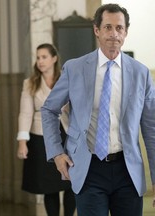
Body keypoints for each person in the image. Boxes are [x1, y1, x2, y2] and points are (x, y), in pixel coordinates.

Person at [41, 3, 155, 216]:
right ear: (97, 30)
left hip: (128, 171)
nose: (114, 34)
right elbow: (49, 110)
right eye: (108, 27)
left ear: (126, 32)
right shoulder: (74, 68)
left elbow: (152, 130)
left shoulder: (141, 74)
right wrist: (56, 152)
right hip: (88, 169)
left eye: (119, 28)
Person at [17, 43, 76, 216]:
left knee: (70, 181)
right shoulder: (30, 83)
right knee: (49, 185)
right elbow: (25, 113)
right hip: (40, 137)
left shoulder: (67, 80)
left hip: (66, 134)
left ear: (54, 59)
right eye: (38, 57)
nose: (40, 61)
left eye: (44, 57)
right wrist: (22, 142)